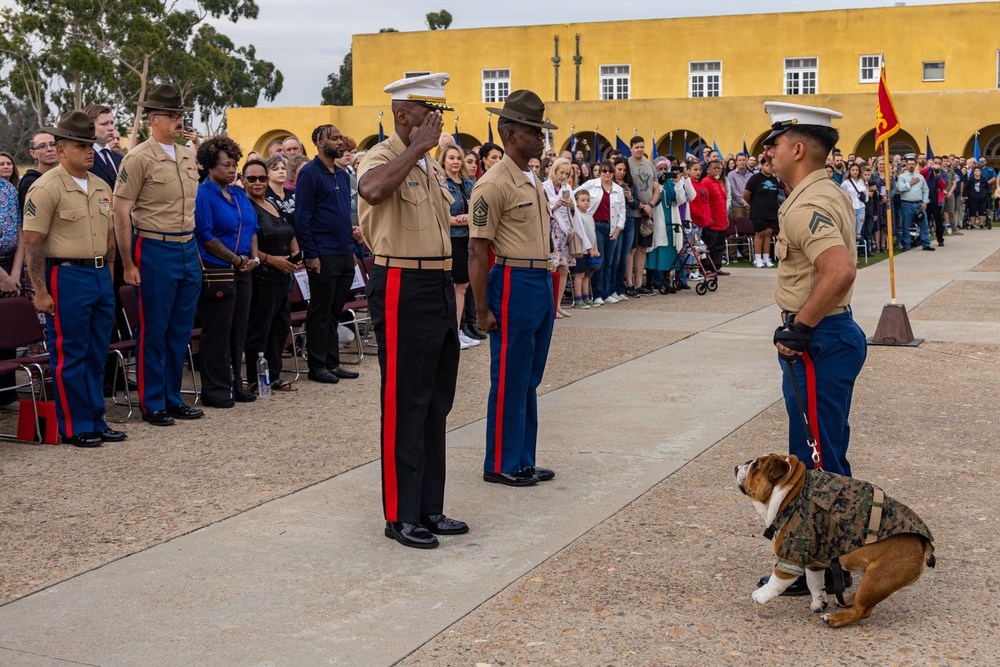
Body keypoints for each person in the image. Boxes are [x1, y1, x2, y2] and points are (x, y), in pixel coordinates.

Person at [357, 72, 468, 549]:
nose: (437, 120)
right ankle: (400, 515)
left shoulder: (427, 166)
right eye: (429, 112)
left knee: (436, 400)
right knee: (406, 401)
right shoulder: (386, 156)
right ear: (404, 115)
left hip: (437, 281)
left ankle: (429, 507)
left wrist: (423, 154)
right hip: (401, 279)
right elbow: (373, 191)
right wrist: (418, 149)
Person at [763, 100, 866, 479]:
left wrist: (800, 328)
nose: (768, 151)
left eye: (776, 142)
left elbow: (839, 271)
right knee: (828, 448)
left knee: (815, 463)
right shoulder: (828, 190)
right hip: (831, 334)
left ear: (798, 150)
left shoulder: (808, 204)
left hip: (819, 339)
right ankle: (843, 533)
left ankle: (829, 535)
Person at [468, 89, 558, 488]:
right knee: (508, 375)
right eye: (532, 130)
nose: (539, 137)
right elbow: (477, 249)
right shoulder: (492, 183)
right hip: (512, 280)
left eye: (540, 129)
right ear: (508, 134)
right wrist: (481, 307)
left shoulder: (531, 178)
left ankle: (523, 458)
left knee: (529, 376)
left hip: (539, 279)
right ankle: (500, 461)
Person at [21, 111, 125, 446]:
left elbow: (109, 238)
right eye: (80, 145)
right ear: (61, 150)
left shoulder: (100, 184)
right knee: (70, 355)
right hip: (65, 276)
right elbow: (33, 243)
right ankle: (75, 425)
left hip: (98, 276)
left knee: (97, 353)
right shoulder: (45, 187)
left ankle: (97, 419)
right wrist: (39, 291)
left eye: (90, 144)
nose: (89, 151)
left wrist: (108, 279)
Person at [112, 83, 204, 426]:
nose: (178, 120)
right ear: (153, 119)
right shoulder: (137, 158)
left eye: (180, 114)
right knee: (154, 329)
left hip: (186, 246)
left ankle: (173, 396)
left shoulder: (185, 154)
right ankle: (153, 403)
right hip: (153, 246)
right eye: (171, 115)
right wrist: (128, 263)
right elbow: (121, 212)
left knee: (180, 330)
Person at [193, 136, 259, 408]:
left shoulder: (239, 193)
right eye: (226, 165)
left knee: (238, 330)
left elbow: (252, 227)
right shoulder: (203, 193)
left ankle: (236, 383)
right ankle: (216, 389)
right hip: (217, 268)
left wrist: (253, 258)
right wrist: (233, 258)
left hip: (244, 268)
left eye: (234, 165)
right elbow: (205, 234)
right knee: (218, 331)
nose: (232, 170)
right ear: (210, 166)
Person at [295, 124, 360, 384]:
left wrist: (352, 249)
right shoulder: (310, 174)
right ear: (320, 143)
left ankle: (333, 363)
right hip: (322, 253)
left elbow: (344, 215)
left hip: (344, 252)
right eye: (334, 139)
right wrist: (311, 254)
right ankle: (317, 365)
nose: (340, 142)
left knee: (336, 310)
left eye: (340, 137)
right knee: (320, 311)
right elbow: (303, 218)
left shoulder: (342, 175)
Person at [242, 159, 300, 394]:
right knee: (259, 330)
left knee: (279, 328)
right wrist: (272, 260)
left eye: (262, 178)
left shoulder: (272, 204)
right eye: (252, 178)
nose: (258, 182)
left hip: (283, 276)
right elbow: (247, 245)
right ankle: (256, 380)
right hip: (261, 277)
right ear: (243, 180)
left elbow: (288, 232)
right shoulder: (245, 206)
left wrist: (295, 252)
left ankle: (274, 376)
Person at [439, 143, 480, 350]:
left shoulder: (469, 183)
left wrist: (468, 218)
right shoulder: (441, 183)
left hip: (468, 238)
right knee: (453, 286)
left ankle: (457, 330)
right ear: (444, 161)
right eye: (451, 158)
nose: (455, 161)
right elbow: (439, 214)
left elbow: (480, 211)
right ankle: (451, 332)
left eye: (458, 158)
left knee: (463, 286)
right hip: (450, 238)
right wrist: (457, 220)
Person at [544, 157, 592, 318]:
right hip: (551, 233)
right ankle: (549, 305)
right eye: (561, 172)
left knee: (564, 268)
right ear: (554, 171)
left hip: (565, 234)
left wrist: (572, 207)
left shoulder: (568, 189)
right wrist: (555, 205)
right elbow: (543, 209)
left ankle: (558, 306)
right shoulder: (545, 187)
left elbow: (574, 214)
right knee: (552, 268)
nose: (563, 176)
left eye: (566, 173)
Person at [574, 159, 623, 305]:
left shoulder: (618, 189)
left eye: (610, 171)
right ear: (600, 171)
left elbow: (622, 211)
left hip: (612, 226)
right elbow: (574, 195)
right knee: (597, 260)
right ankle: (597, 294)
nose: (607, 174)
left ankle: (607, 293)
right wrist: (576, 211)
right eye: (604, 171)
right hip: (595, 225)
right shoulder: (591, 184)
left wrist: (619, 228)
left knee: (609, 262)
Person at [0, 163, 25, 409]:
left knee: (7, 333)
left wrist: (15, 273)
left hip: (10, 265)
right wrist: (3, 276)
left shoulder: (8, 188)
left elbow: (19, 229)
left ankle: (7, 393)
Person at [627, 136, 660, 294]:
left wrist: (650, 205)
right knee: (631, 249)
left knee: (642, 249)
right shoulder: (627, 164)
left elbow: (656, 189)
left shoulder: (650, 165)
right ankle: (629, 284)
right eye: (637, 147)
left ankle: (639, 284)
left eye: (642, 146)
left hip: (647, 214)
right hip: (632, 212)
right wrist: (641, 205)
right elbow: (625, 188)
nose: (640, 149)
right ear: (631, 148)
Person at [611, 156, 639, 300]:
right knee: (615, 258)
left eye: (624, 170)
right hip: (616, 222)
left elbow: (636, 205)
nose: (621, 172)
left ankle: (620, 289)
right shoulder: (611, 183)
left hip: (630, 220)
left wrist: (630, 198)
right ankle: (612, 289)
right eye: (619, 169)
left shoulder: (631, 184)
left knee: (624, 257)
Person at [745, 158, 781, 267]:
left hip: (772, 211)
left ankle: (766, 258)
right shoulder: (755, 178)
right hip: (758, 211)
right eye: (766, 165)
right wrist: (754, 204)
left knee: (768, 234)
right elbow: (746, 194)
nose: (769, 167)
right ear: (761, 166)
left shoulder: (775, 180)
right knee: (760, 234)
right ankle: (757, 258)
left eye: (771, 165)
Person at [570, 189, 600, 307]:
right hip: (581, 250)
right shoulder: (577, 216)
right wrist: (589, 249)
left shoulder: (590, 216)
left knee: (587, 275)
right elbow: (581, 234)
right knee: (580, 274)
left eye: (588, 200)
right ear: (576, 202)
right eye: (583, 200)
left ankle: (586, 297)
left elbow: (593, 234)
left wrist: (595, 248)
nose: (586, 203)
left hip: (590, 250)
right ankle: (578, 299)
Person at [18, 131, 60, 214]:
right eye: (42, 146)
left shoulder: (66, 177)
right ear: (33, 153)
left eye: (53, 144)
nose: (49, 149)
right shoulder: (29, 182)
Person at [896, 154, 931, 251]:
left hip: (919, 204)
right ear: (906, 165)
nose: (911, 166)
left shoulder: (920, 177)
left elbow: (925, 190)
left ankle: (926, 243)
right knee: (906, 225)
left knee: (924, 224)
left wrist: (924, 202)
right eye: (909, 164)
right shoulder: (902, 177)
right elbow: (900, 188)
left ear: (915, 165)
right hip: (907, 204)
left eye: (912, 164)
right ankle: (906, 245)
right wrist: (911, 183)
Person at [700, 160, 730, 275]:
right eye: (715, 168)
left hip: (722, 219)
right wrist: (708, 218)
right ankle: (706, 267)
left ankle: (716, 267)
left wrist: (726, 218)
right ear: (708, 169)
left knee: (719, 245)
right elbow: (703, 202)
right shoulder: (706, 182)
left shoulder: (721, 183)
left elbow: (723, 201)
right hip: (712, 221)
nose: (717, 170)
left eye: (719, 168)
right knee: (709, 246)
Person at [263, 155, 295, 222]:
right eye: (275, 169)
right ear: (266, 173)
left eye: (283, 168)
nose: (281, 171)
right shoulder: (263, 196)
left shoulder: (294, 194)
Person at [840, 162, 867, 239]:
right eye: (853, 170)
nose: (855, 172)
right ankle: (852, 249)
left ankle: (857, 249)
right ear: (850, 171)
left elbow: (866, 195)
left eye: (856, 170)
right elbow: (842, 195)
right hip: (851, 207)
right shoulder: (846, 183)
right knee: (852, 230)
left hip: (861, 207)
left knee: (858, 233)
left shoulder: (863, 182)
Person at [727, 153, 753, 220]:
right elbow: (733, 190)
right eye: (740, 160)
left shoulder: (751, 175)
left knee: (750, 227)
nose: (742, 162)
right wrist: (743, 202)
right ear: (736, 162)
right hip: (737, 206)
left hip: (749, 205)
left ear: (746, 161)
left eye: (743, 160)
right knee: (739, 227)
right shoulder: (731, 175)